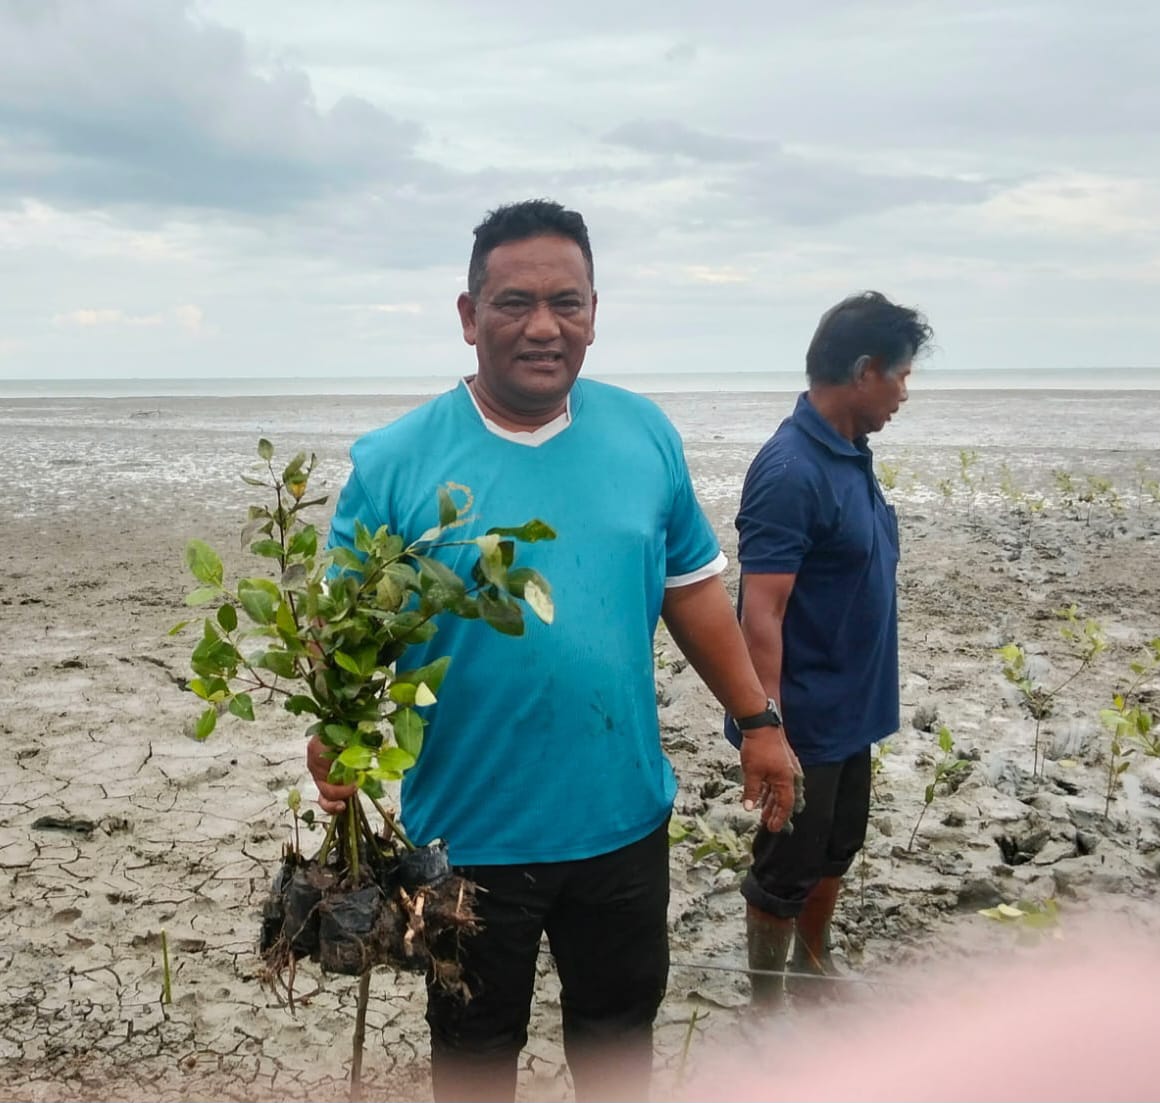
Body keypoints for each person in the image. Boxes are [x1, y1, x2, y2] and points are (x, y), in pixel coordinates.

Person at [307, 199, 800, 1102]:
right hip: (465, 834)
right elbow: (342, 635)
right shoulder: (393, 462)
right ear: (468, 316)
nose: (543, 326)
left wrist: (757, 719)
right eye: (513, 302)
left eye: (566, 303)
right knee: (473, 1048)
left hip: (621, 820)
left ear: (594, 313)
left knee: (617, 1040)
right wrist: (332, 737)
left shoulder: (644, 432)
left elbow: (690, 587)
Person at [726, 291, 932, 1008]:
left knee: (835, 849)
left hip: (852, 710)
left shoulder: (849, 452)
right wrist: (767, 726)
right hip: (803, 716)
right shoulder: (789, 469)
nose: (905, 391)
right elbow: (761, 612)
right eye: (901, 374)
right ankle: (766, 1003)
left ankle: (813, 968)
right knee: (785, 864)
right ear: (864, 369)